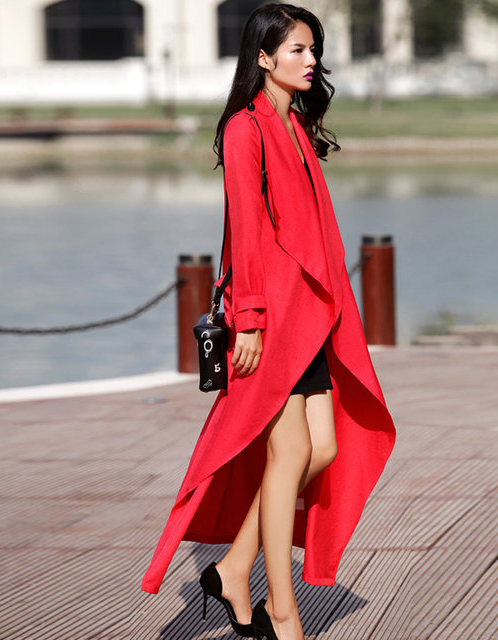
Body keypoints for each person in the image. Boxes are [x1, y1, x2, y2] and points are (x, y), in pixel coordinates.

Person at [141, 5, 395, 640]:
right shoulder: (245, 129)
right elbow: (247, 233)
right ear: (263, 57)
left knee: (322, 448)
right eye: (297, 50)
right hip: (275, 317)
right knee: (292, 452)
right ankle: (282, 612)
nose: (311, 61)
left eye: (313, 49)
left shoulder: (296, 125)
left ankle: (233, 568)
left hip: (312, 313)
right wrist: (250, 319)